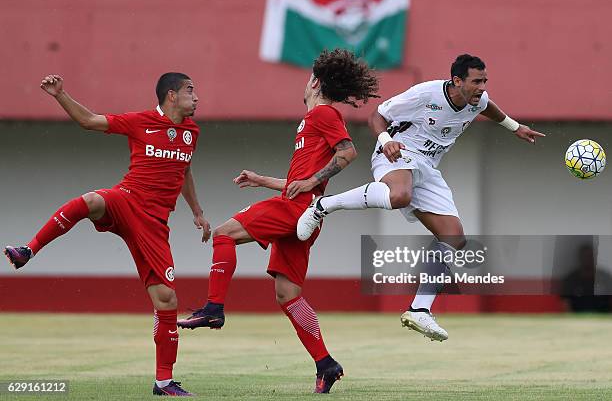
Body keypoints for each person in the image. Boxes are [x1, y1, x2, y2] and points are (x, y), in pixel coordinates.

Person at [297, 54, 545, 341]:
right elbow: (377, 116)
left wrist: (516, 128)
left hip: (427, 167)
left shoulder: (478, 99)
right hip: (397, 153)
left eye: (484, 80)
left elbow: (489, 108)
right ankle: (322, 206)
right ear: (456, 81)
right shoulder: (426, 93)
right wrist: (387, 141)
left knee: (454, 236)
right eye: (476, 81)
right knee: (399, 195)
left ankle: (419, 310)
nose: (482, 86)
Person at [177, 49, 379, 393]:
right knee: (288, 294)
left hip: (296, 208)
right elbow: (300, 179)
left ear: (315, 82)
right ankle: (325, 364)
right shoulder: (312, 121)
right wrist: (262, 180)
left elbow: (348, 153)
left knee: (224, 234)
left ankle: (213, 308)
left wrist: (313, 182)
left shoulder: (323, 114)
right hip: (304, 210)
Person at [4, 72, 211, 396]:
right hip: (127, 199)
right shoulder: (139, 121)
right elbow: (88, 121)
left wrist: (197, 211)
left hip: (155, 224)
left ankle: (164, 382)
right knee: (91, 200)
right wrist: (60, 94)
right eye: (190, 90)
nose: (196, 97)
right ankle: (28, 250)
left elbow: (183, 170)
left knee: (167, 300)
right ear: (171, 96)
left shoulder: (192, 133)